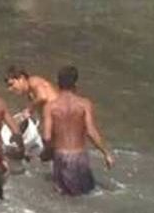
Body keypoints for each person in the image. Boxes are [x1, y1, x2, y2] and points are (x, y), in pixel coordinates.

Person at [41, 66, 115, 196]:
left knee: (63, 197)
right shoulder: (84, 104)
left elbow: (47, 137)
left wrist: (47, 153)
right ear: (75, 83)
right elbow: (91, 131)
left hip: (61, 156)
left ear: (58, 83)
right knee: (86, 194)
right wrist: (106, 153)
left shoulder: (50, 107)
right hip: (80, 156)